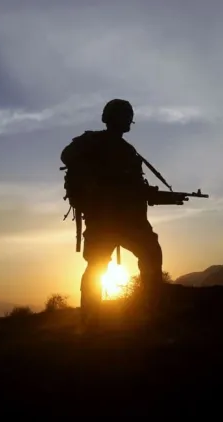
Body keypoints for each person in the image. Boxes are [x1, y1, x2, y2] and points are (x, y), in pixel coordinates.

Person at [60, 99, 164, 326]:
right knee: (99, 266)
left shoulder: (128, 151)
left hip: (128, 219)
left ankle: (148, 310)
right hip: (105, 220)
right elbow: (66, 155)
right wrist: (98, 182)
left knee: (150, 255)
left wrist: (150, 194)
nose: (128, 121)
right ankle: (92, 320)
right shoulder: (92, 141)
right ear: (114, 118)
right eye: (125, 117)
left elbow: (133, 186)